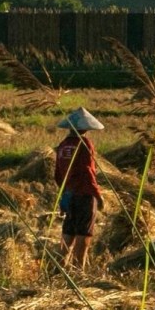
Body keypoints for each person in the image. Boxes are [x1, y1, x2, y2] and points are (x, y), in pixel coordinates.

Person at [54, 107, 106, 269]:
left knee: (68, 231)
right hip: (84, 195)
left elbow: (58, 174)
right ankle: (78, 271)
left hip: (69, 195)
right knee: (84, 235)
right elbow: (88, 171)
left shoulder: (63, 145)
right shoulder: (84, 144)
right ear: (85, 128)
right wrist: (98, 195)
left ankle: (58, 268)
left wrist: (63, 195)